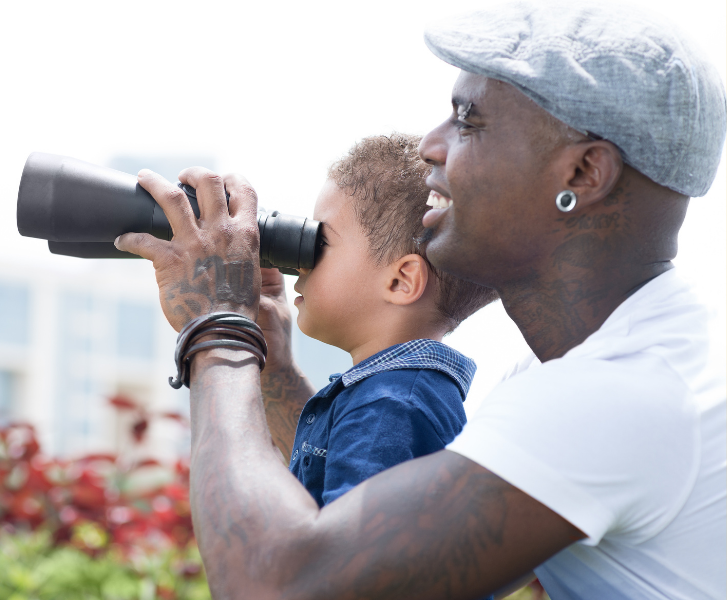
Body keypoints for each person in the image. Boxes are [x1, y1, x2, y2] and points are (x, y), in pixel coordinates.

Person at [115, 2, 726, 599]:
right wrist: (272, 367)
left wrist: (218, 324)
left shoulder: (623, 394)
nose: (432, 145)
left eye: (468, 121)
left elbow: (278, 582)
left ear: (583, 174)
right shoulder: (594, 367)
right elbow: (388, 541)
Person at [261, 133, 497, 507]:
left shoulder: (390, 406)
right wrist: (271, 363)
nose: (300, 262)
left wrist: (220, 331)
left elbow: (341, 554)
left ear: (401, 280)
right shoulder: (392, 393)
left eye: (320, 242)